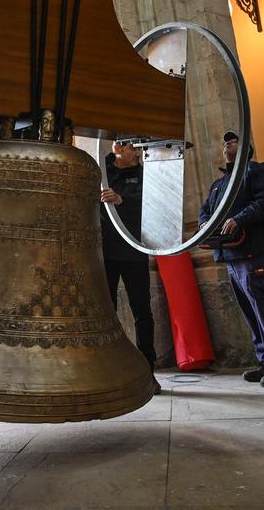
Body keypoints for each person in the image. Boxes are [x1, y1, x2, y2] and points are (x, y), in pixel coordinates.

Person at [198, 131, 264, 389]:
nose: (225, 145)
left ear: (246, 148)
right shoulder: (218, 185)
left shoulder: (255, 172)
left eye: (232, 141)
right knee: (250, 311)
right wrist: (204, 224)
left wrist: (239, 219)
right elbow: (205, 211)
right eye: (224, 142)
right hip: (231, 257)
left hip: (253, 252)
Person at [99, 141, 156, 373]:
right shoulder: (100, 171)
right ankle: (109, 367)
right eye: (135, 148)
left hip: (134, 251)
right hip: (104, 253)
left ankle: (147, 368)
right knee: (105, 310)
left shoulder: (145, 175)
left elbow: (150, 205)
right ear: (118, 148)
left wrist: (122, 200)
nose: (139, 153)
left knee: (142, 309)